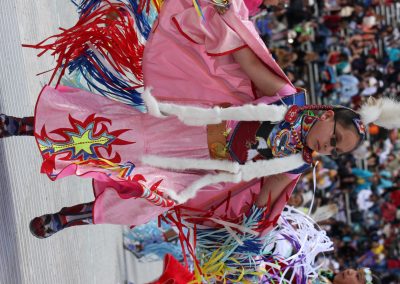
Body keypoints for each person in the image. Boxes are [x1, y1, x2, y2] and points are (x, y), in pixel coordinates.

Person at [0, 0, 393, 281]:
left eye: (336, 150)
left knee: (147, 199)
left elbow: (263, 205)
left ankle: (69, 217)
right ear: (326, 115)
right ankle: (21, 125)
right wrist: (224, 15)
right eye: (334, 136)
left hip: (204, 174)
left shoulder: (299, 164)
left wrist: (259, 208)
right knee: (111, 131)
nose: (329, 147)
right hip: (190, 127)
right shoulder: (289, 98)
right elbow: (246, 60)